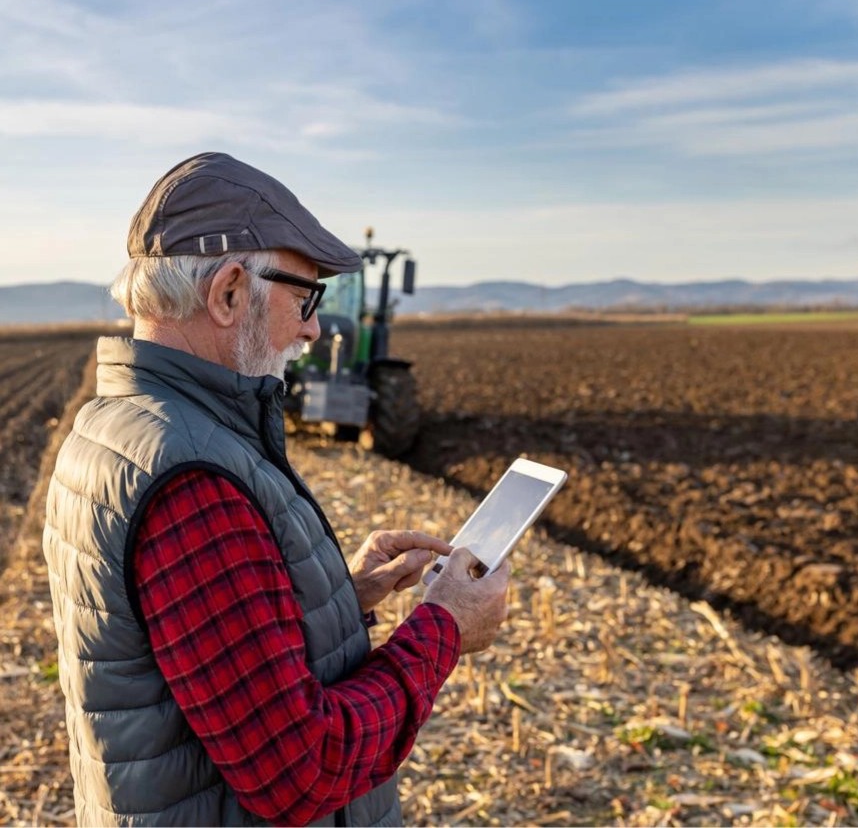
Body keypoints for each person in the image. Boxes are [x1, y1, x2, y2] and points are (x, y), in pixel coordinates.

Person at [42, 152, 511, 826]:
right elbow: (302, 770)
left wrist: (342, 599)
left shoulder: (118, 425)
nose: (314, 327)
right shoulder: (192, 478)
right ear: (230, 291)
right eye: (305, 296)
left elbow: (195, 653)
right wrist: (443, 628)